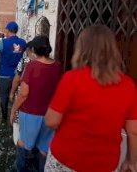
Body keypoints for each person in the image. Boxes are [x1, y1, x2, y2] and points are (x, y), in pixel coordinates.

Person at [45, 25, 137, 172]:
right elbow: (133, 131)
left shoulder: (72, 79)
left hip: (66, 160)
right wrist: (131, 161)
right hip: (105, 164)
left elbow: (51, 121)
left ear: (81, 49)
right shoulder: (128, 85)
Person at [10, 35, 62, 172]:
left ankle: (22, 169)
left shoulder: (32, 65)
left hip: (30, 113)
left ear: (33, 49)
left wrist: (13, 110)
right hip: (50, 113)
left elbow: (23, 93)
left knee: (23, 143)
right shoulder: (57, 66)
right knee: (45, 148)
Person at [0, 21, 26, 122]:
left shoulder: (3, 42)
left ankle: (4, 118)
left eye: (6, 30)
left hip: (4, 75)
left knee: (4, 98)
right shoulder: (23, 42)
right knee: (17, 96)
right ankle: (15, 117)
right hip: (18, 76)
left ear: (8, 30)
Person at [9, 41, 36, 146]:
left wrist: (12, 92)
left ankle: (18, 143)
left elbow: (17, 79)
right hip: (37, 101)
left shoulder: (25, 61)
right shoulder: (50, 63)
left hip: (23, 95)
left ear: (28, 50)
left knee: (17, 119)